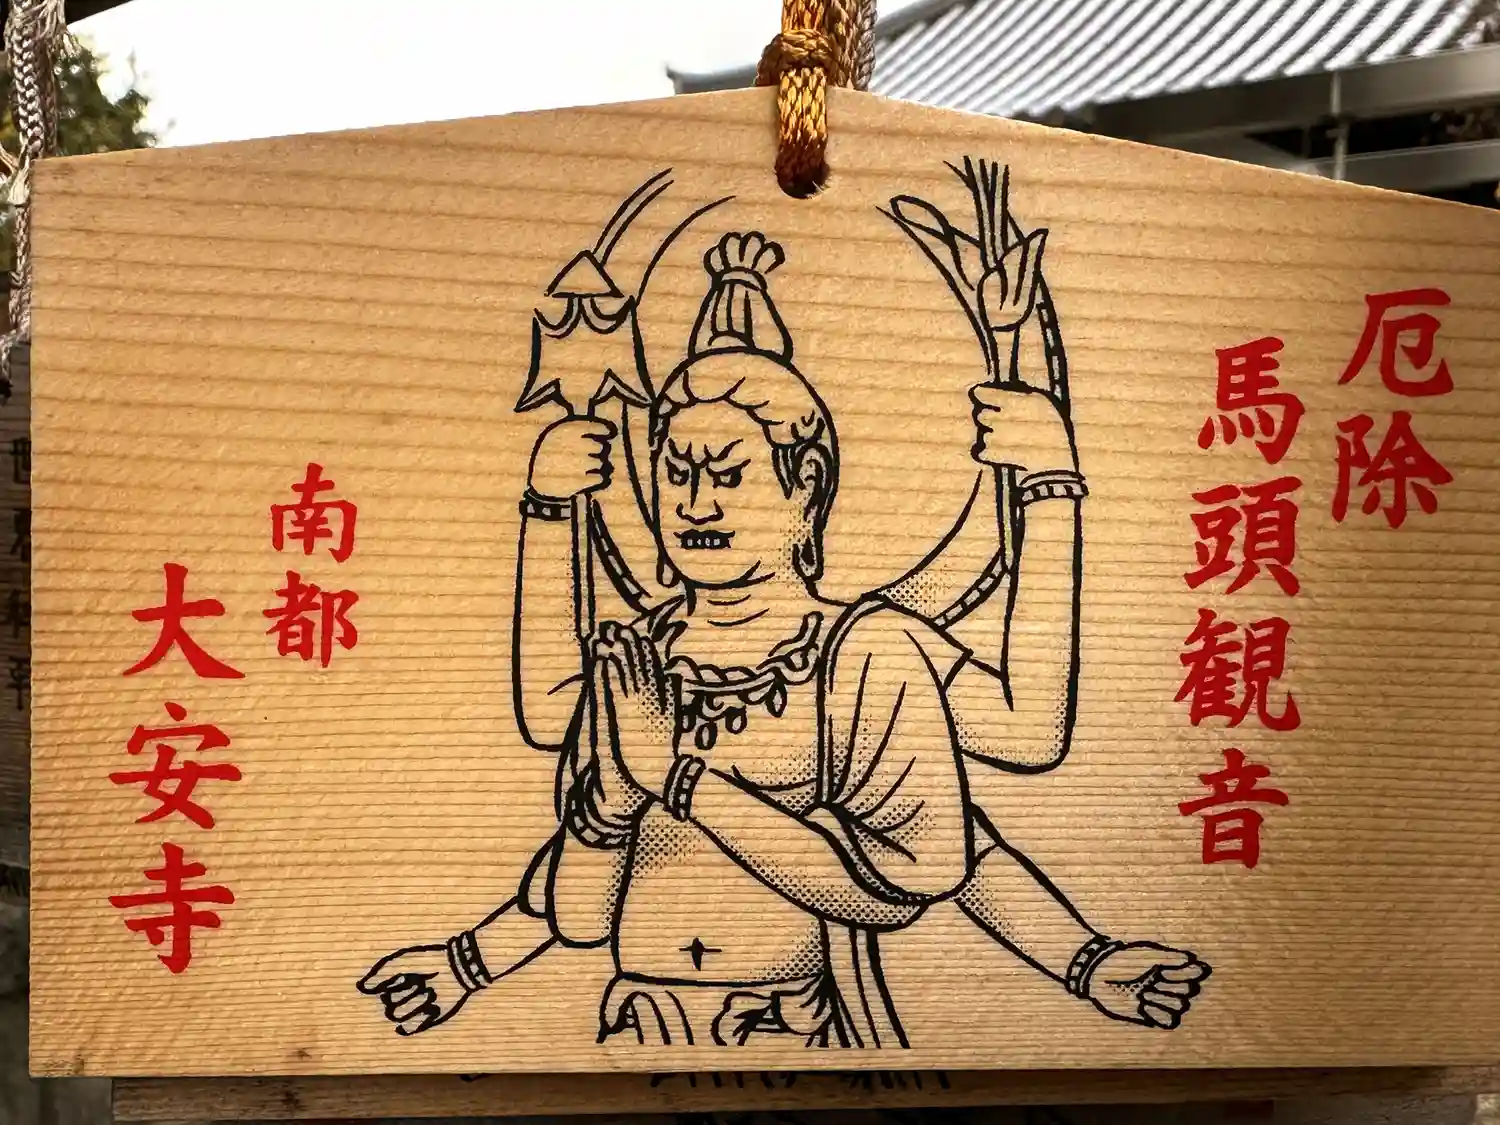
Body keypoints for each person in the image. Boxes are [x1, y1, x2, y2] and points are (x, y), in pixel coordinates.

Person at [359, 231, 1207, 1046]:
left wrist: (1050, 484)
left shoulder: (865, 650)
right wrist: (467, 962)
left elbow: (982, 794)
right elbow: (578, 899)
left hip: (795, 1028)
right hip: (635, 1023)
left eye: (728, 475)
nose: (696, 505)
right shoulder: (639, 660)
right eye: (676, 474)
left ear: (805, 486)